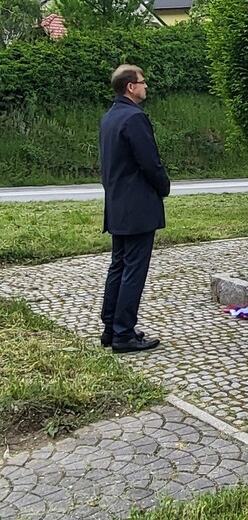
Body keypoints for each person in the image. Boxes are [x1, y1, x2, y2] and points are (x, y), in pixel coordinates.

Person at [99, 65, 170, 352]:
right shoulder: (135, 118)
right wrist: (163, 186)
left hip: (117, 204)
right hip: (138, 205)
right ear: (130, 86)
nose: (146, 86)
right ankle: (124, 333)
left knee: (118, 266)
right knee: (133, 271)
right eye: (142, 82)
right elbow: (149, 162)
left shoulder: (109, 118)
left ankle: (110, 328)